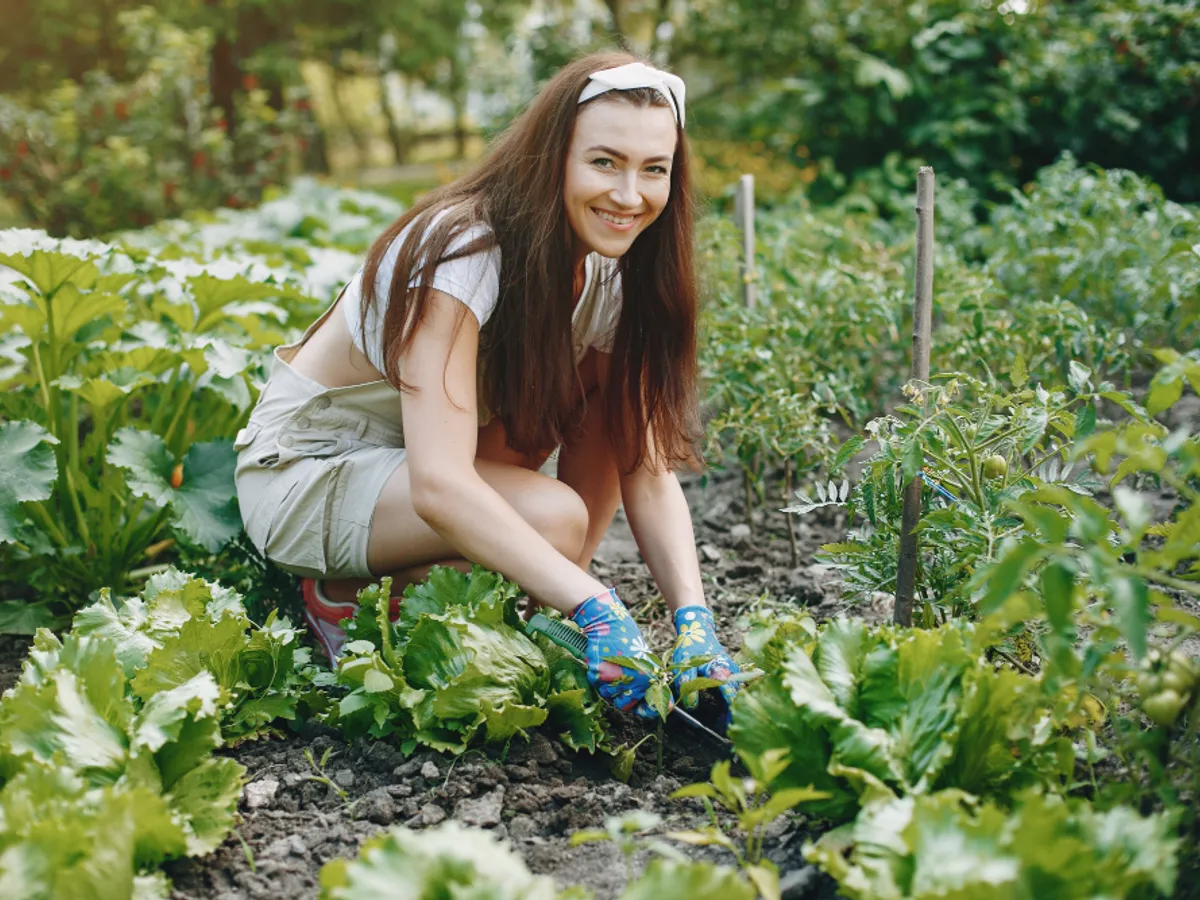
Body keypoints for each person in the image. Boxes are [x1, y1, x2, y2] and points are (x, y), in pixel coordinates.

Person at [234, 51, 740, 724]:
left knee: (605, 408)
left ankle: (549, 605)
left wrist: (694, 622)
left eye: (654, 169)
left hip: (404, 471)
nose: (629, 195)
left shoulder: (609, 277)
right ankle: (340, 597)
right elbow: (440, 485)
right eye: (604, 162)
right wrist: (597, 602)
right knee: (555, 519)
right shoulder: (462, 249)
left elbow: (644, 470)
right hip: (309, 473)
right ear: (554, 156)